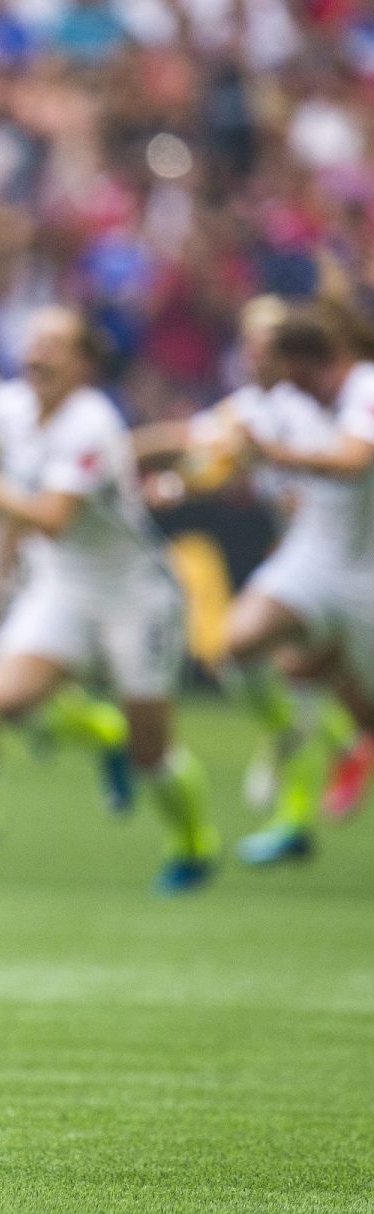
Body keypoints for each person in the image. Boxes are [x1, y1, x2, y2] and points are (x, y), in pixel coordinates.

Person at [0, 307, 218, 893]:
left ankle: (193, 843)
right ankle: (102, 733)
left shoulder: (89, 421)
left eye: (55, 345)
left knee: (154, 753)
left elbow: (50, 516)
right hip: (64, 586)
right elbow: (18, 496)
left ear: (84, 365)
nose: (37, 353)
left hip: (135, 595)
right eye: (33, 341)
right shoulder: (15, 409)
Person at [219, 306, 374, 861]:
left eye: (277, 358)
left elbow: (355, 462)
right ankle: (290, 736)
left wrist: (271, 457)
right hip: (312, 556)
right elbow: (210, 442)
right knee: (238, 644)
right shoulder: (286, 402)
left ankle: (351, 741)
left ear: (305, 361)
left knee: (347, 695)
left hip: (368, 573)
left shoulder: (364, 386)